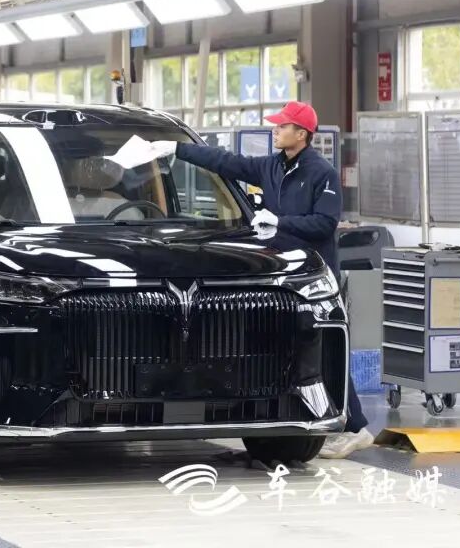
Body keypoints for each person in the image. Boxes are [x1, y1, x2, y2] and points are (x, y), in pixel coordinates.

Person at [152, 101, 373, 459]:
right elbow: (225, 162)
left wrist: (280, 222)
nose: (275, 130)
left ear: (301, 134)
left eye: (282, 126)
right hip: (277, 276)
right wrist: (177, 149)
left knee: (322, 350)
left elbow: (325, 223)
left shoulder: (322, 173)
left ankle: (356, 427)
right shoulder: (271, 166)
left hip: (312, 277)